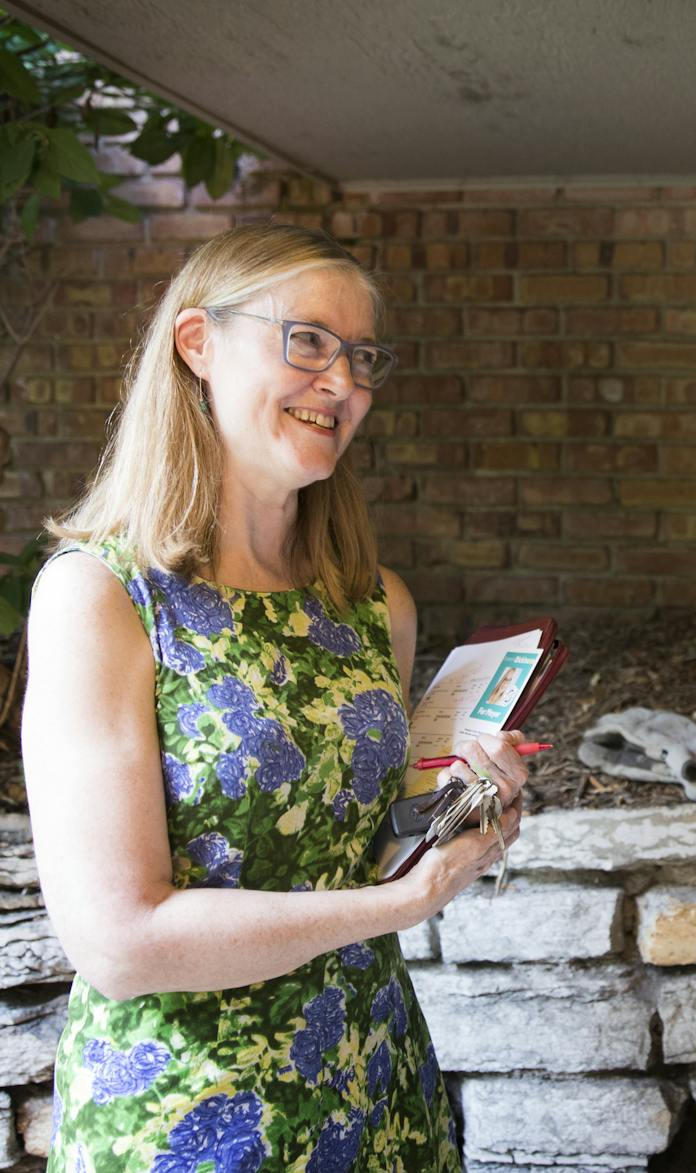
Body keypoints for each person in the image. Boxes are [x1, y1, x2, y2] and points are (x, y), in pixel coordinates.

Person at [22, 223, 528, 1170]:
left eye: (363, 357)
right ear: (198, 344)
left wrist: (460, 814)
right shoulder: (100, 596)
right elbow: (120, 940)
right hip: (186, 1122)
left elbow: (371, 849)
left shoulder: (377, 603)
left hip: (379, 1095)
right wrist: (391, 907)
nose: (342, 383)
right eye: (307, 341)